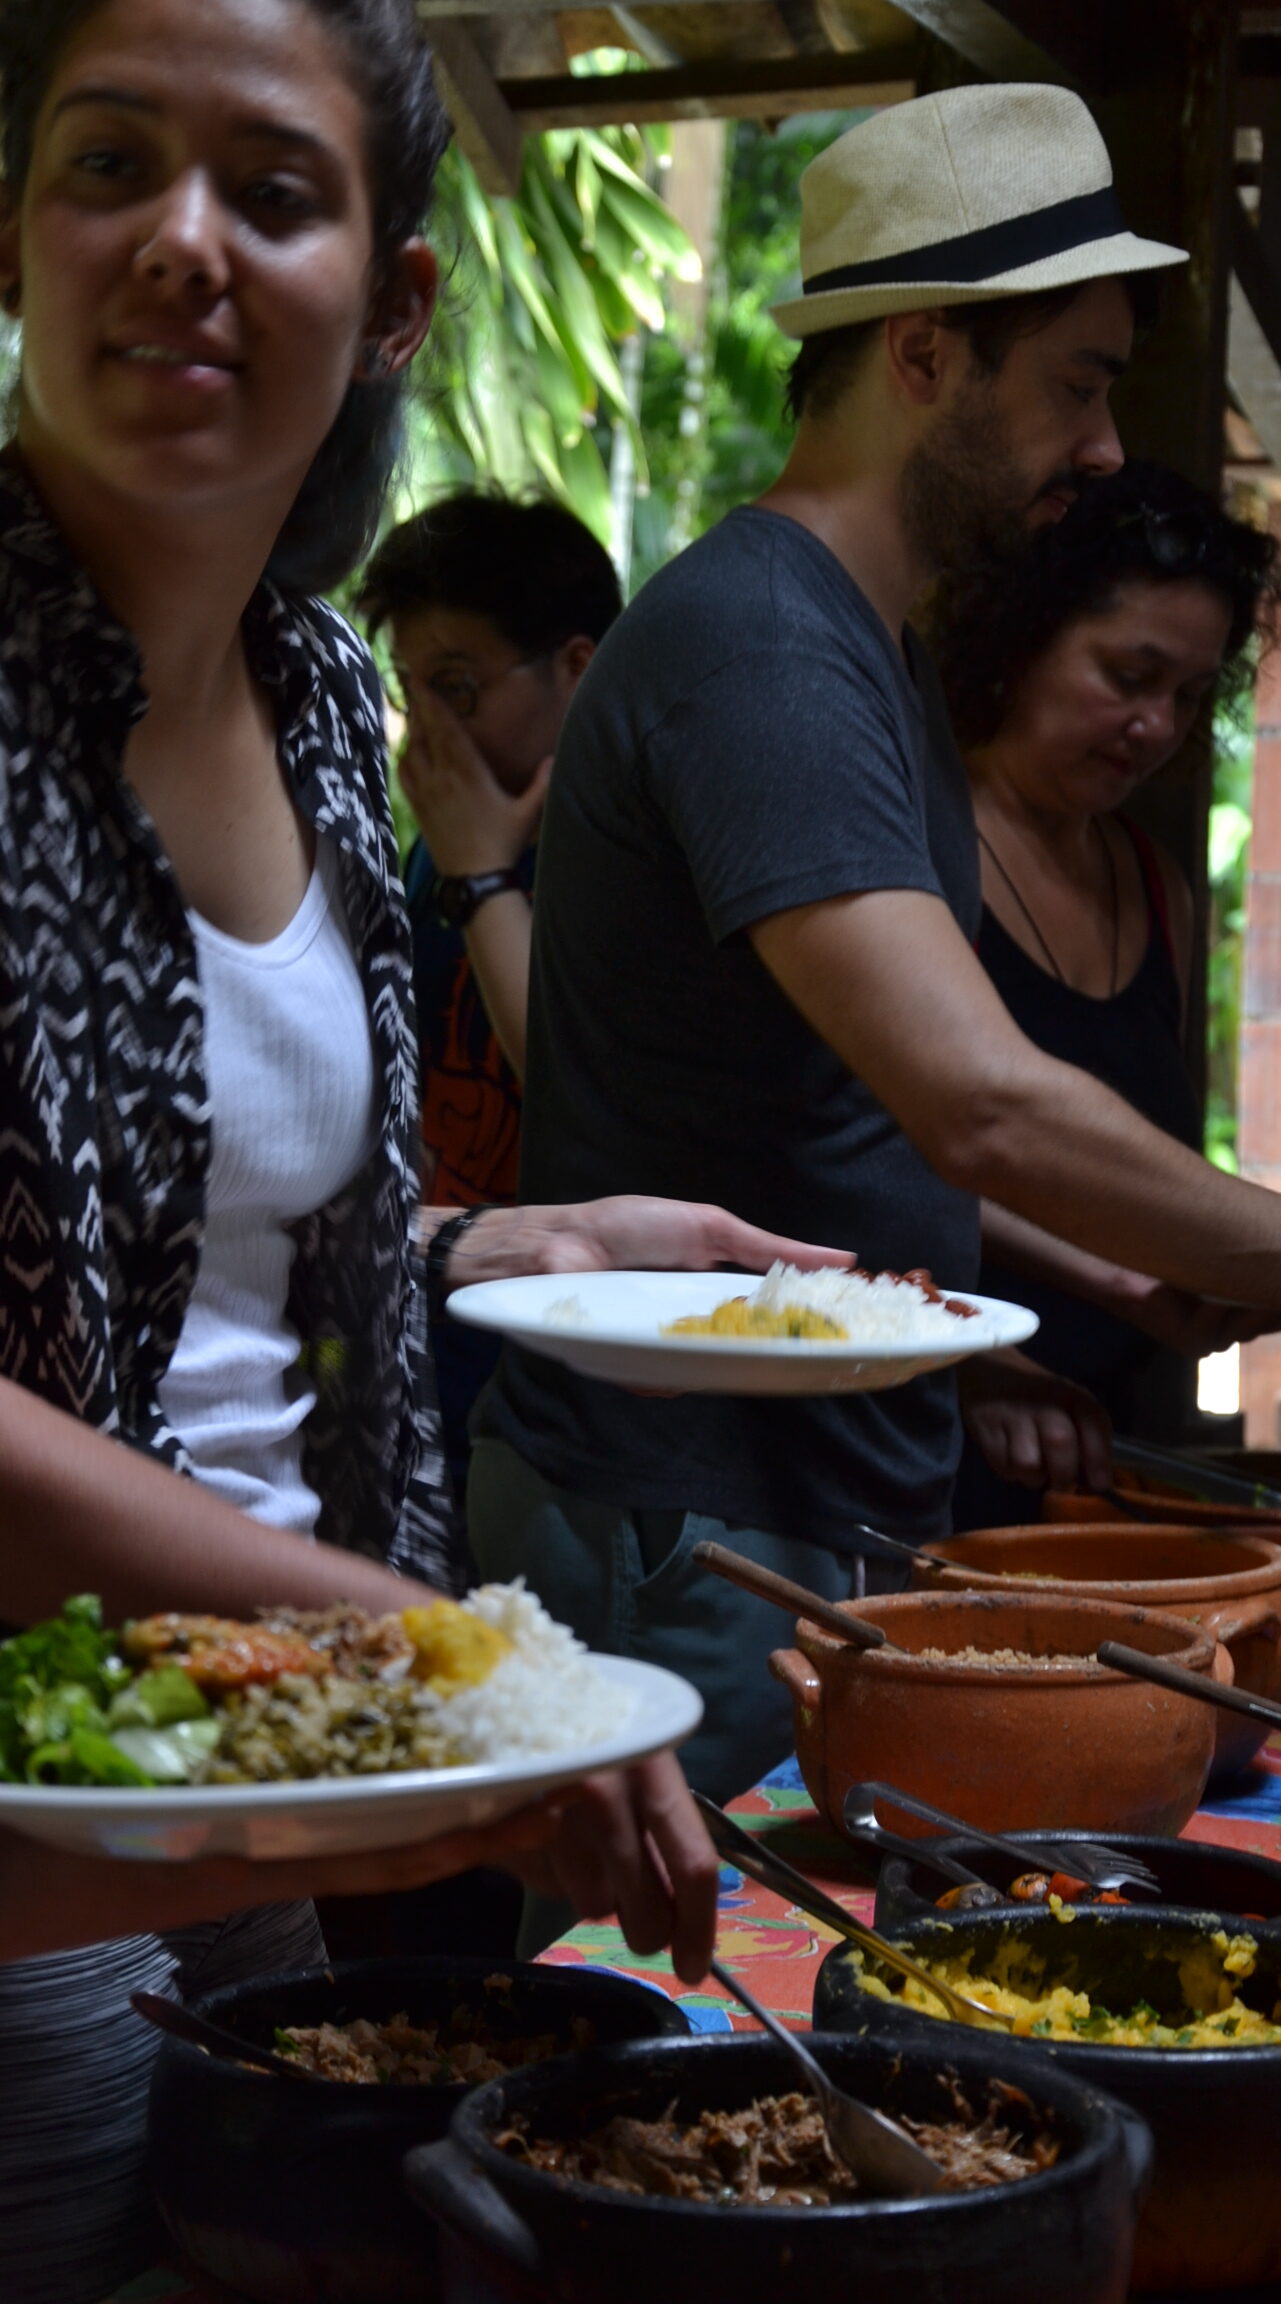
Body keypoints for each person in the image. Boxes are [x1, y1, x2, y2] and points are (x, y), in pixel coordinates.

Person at [0, 3, 833, 2291]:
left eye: (269, 193)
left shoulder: (315, 693)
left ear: (391, 297)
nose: (179, 240)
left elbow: (191, 1257)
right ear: (16, 230)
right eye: (106, 165)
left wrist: (518, 1236)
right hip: (46, 1846)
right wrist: (472, 1665)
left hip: (270, 1797)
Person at [471, 82, 1281, 1831]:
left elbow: (854, 1115)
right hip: (697, 1512)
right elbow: (976, 1099)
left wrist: (1122, 1280)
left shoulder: (861, 647)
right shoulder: (763, 647)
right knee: (661, 2045)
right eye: (1079, 378)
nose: (1107, 443)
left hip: (805, 1495)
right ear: (920, 357)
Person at [923, 462, 1281, 1528]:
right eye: (1128, 675)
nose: (1156, 723)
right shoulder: (914, 854)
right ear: (1022, 635)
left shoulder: (1158, 891)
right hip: (924, 1449)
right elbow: (851, 1167)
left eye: (1186, 694)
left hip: (1103, 1458)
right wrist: (973, 1363)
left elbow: (1138, 1170)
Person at [358, 493, 622, 1520]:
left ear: (578, 666)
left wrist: (479, 876)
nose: (428, 726)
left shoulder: (618, 854)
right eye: (413, 688)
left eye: (460, 687)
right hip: (435, 1317)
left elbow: (569, 1085)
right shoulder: (448, 840)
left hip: (564, 1365)